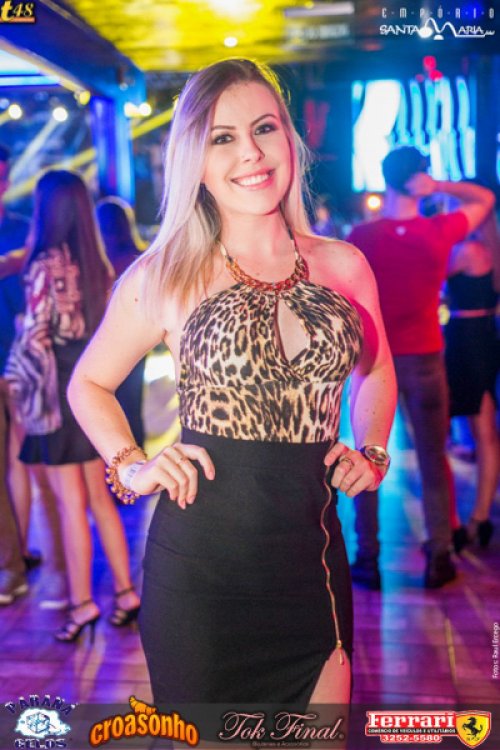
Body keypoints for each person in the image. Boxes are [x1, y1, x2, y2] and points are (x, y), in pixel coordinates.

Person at [68, 59, 396, 723]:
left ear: (289, 140)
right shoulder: (166, 275)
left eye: (264, 128)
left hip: (312, 570)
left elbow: (377, 369)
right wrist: (131, 465)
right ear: (195, 159)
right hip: (200, 580)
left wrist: (374, 450)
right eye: (223, 137)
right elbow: (90, 383)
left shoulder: (343, 265)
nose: (250, 152)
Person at [347, 146, 495, 590]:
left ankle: (367, 558)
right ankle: (440, 555)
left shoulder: (362, 236)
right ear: (419, 178)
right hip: (426, 357)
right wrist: (439, 187)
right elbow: (485, 199)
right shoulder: (437, 231)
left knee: (365, 456)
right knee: (434, 458)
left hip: (373, 359)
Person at [5, 170, 140, 639]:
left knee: (69, 505)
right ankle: (126, 592)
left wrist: (17, 379)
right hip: (93, 388)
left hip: (58, 394)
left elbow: (35, 339)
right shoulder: (97, 263)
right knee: (99, 499)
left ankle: (82, 605)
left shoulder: (44, 263)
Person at [445, 209, 499, 549]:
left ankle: (471, 520)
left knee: (481, 432)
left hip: (466, 339)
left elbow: (431, 273)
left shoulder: (467, 250)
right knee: (485, 431)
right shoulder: (490, 247)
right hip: (482, 336)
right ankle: (479, 518)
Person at [0, 144, 32, 604]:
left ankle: (14, 562)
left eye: (3, 175)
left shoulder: (25, 229)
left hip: (17, 364)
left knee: (17, 464)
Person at [96, 197, 147, 447]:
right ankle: (138, 456)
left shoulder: (100, 263)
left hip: (109, 342)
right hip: (140, 341)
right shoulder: (141, 259)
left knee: (107, 402)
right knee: (132, 404)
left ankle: (121, 458)